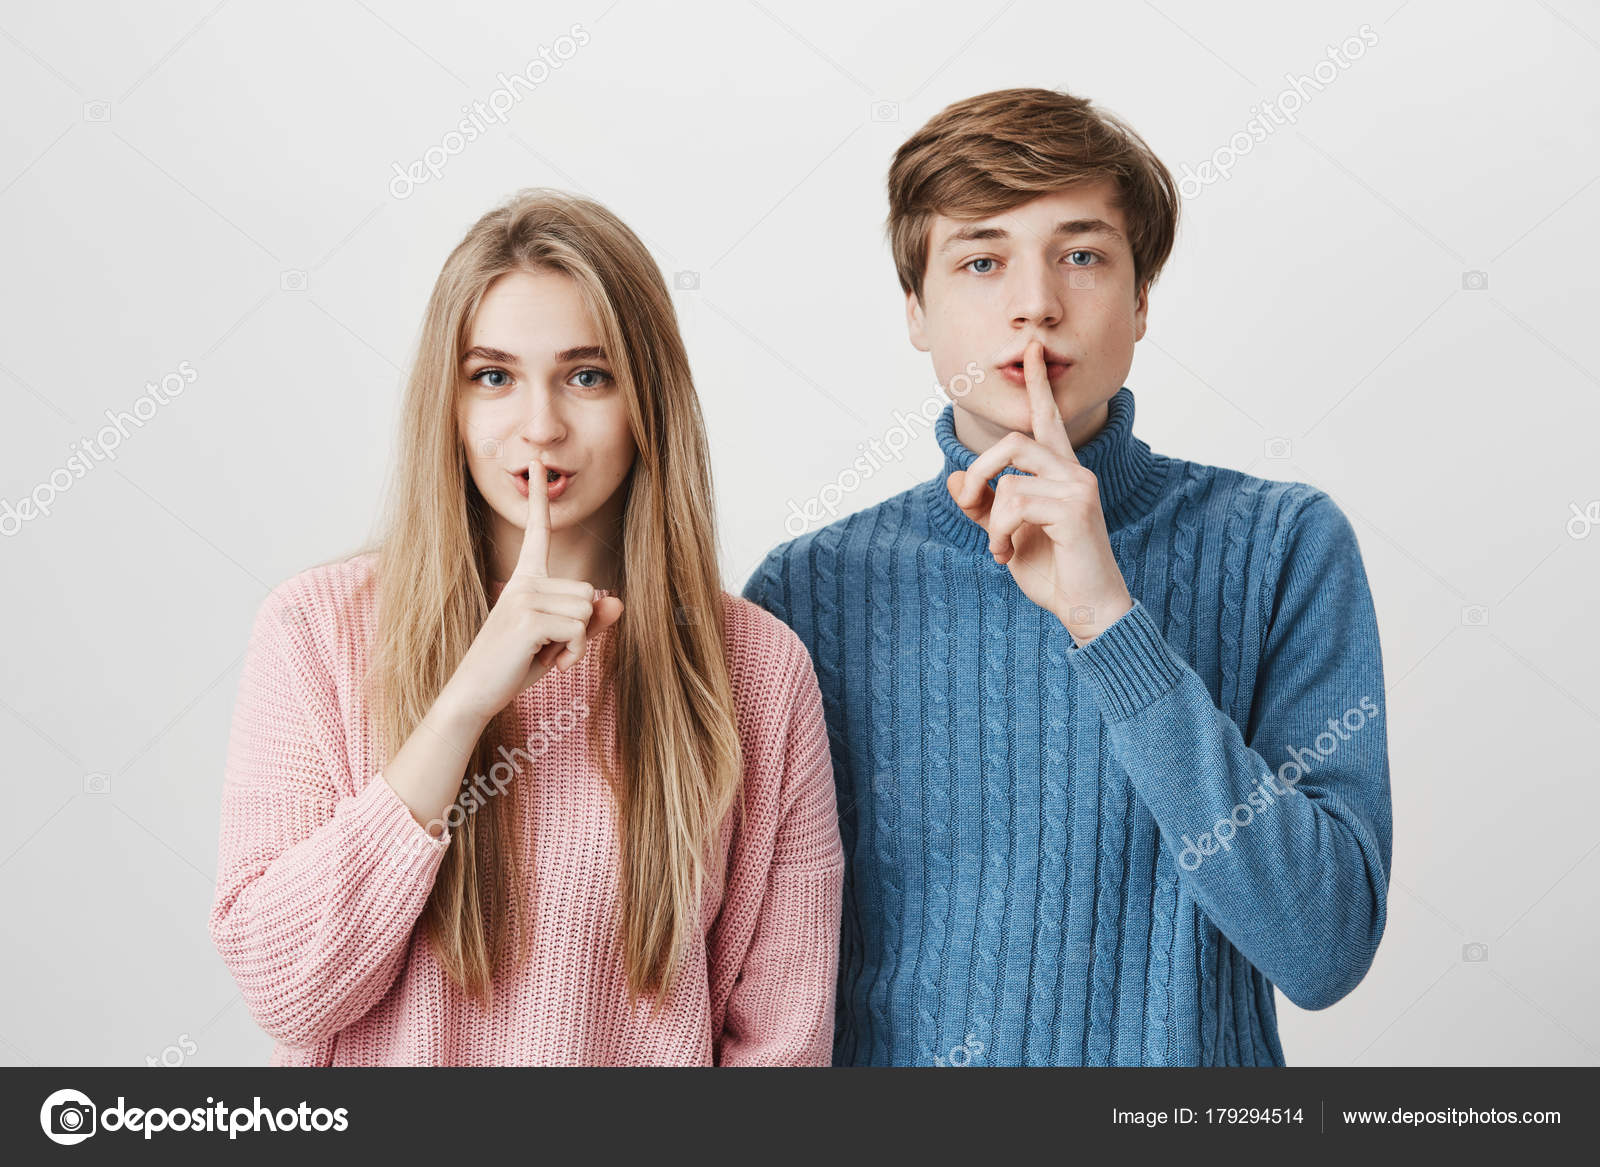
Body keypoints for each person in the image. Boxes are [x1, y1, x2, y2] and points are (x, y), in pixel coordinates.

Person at [742, 87, 1392, 1066]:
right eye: (980, 260)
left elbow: (1323, 949)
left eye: (1081, 256)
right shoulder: (806, 594)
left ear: (1139, 303)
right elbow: (746, 982)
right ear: (915, 311)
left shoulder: (1283, 546)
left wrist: (1106, 617)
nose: (1034, 302)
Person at [210, 189, 843, 1066]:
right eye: (494, 376)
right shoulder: (316, 631)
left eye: (587, 375)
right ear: (452, 402)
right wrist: (464, 704)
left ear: (645, 401)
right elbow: (287, 991)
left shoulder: (759, 669)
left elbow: (782, 1045)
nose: (540, 427)